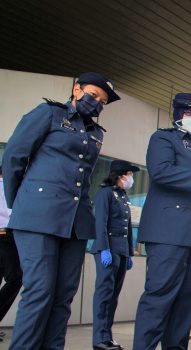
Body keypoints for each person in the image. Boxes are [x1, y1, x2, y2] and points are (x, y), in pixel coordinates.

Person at [1, 72, 120, 350]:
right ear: (77, 89)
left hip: (76, 222)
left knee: (63, 294)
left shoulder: (95, 132)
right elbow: (14, 157)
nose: (97, 103)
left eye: (102, 102)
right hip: (38, 216)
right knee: (39, 290)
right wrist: (21, 203)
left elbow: (84, 176)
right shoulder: (49, 113)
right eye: (93, 95)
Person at [133, 93, 191, 350]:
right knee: (160, 296)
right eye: (190, 113)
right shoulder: (164, 138)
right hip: (169, 232)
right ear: (177, 115)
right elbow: (160, 171)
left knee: (188, 298)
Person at [90, 160, 139, 350]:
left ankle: (107, 337)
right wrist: (103, 248)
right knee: (104, 294)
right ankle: (99, 339)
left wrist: (129, 253)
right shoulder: (105, 193)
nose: (131, 179)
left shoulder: (123, 197)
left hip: (120, 251)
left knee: (113, 296)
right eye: (130, 174)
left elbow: (127, 227)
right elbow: (100, 222)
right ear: (120, 175)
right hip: (107, 249)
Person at [0, 166, 22, 343]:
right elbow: (12, 212)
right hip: (6, 236)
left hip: (6, 235)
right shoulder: (6, 186)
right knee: (16, 278)